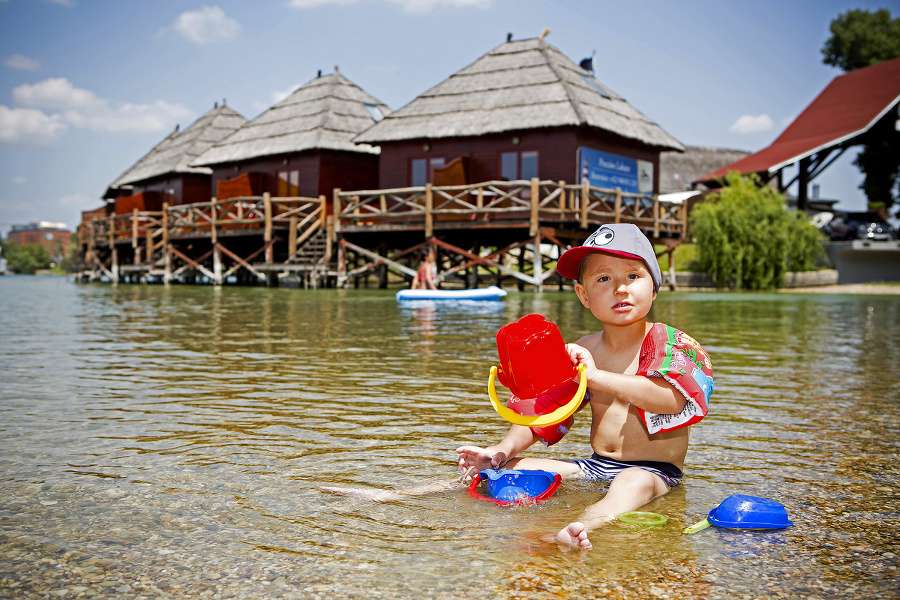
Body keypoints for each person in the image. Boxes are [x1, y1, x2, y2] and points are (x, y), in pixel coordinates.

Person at [457, 223, 713, 549]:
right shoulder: (584, 350)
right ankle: (404, 495)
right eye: (604, 279)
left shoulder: (671, 344)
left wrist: (594, 376)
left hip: (655, 471)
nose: (620, 288)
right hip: (595, 465)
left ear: (654, 287)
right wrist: (501, 450)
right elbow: (547, 412)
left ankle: (579, 527)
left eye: (633, 276)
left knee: (631, 481)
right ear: (583, 295)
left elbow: (670, 400)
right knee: (507, 468)